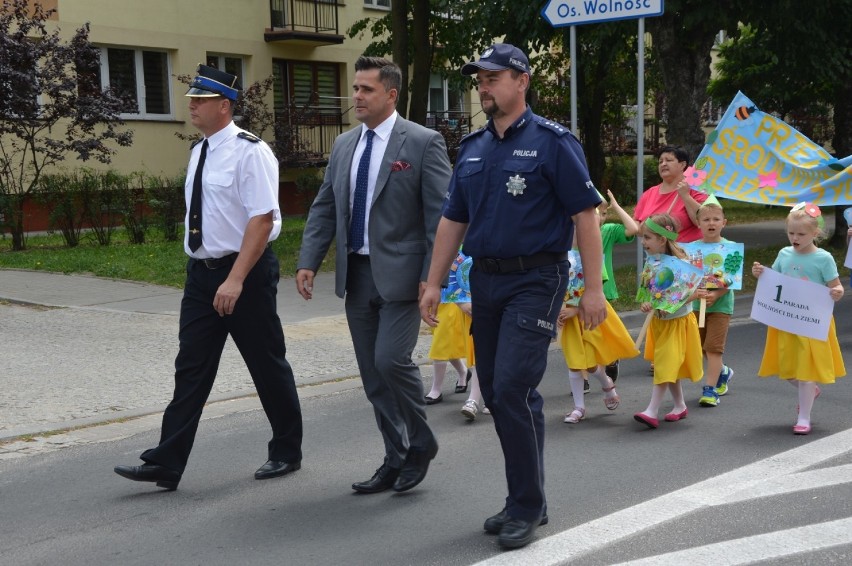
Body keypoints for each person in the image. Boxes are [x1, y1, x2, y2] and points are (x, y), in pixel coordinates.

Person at [419, 43, 606, 550]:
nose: (483, 86)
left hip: (537, 279)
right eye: (479, 79)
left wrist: (593, 289)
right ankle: (527, 499)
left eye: (493, 77)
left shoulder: (553, 143)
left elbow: (585, 216)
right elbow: (453, 219)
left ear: (521, 81)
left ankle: (526, 504)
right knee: (507, 395)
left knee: (509, 388)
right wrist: (434, 282)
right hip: (486, 279)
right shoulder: (474, 146)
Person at [114, 65, 303, 490]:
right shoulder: (200, 150)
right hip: (201, 275)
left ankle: (287, 450)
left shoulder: (250, 151)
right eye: (191, 100)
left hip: (245, 275)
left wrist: (235, 279)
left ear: (225, 106)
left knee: (266, 363)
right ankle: (167, 462)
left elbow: (262, 218)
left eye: (200, 100)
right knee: (191, 367)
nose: (192, 106)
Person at [296, 56, 450, 494]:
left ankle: (420, 440)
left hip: (405, 277)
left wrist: (432, 276)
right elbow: (325, 205)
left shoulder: (422, 142)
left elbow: (441, 216)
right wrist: (309, 260)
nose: (357, 97)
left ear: (391, 95)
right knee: (372, 376)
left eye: (366, 89)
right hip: (357, 275)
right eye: (355, 88)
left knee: (390, 360)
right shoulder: (345, 145)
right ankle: (396, 455)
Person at [751, 202, 845, 435]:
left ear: (815, 233)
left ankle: (804, 416)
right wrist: (760, 274)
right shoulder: (784, 254)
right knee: (787, 368)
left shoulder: (823, 258)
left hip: (812, 322)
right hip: (787, 321)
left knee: (805, 372)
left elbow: (836, 286)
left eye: (801, 234)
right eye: (791, 233)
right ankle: (810, 390)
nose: (795, 237)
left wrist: (838, 292)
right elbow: (774, 280)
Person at [633, 213, 707, 429]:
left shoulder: (682, 264)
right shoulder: (653, 262)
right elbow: (650, 293)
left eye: (647, 238)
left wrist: (689, 296)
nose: (643, 242)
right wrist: (646, 304)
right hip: (660, 323)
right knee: (668, 365)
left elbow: (691, 292)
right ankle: (680, 405)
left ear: (662, 239)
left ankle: (652, 410)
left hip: (677, 323)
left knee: (665, 364)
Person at [691, 196, 736, 408]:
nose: (711, 223)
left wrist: (716, 295)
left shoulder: (731, 248)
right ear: (698, 223)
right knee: (700, 347)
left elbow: (732, 277)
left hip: (721, 307)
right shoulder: (691, 249)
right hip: (695, 306)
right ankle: (723, 371)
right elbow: (687, 277)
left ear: (723, 223)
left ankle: (709, 390)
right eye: (706, 219)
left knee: (713, 349)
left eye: (716, 219)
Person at [600, 189, 640, 381]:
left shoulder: (607, 231)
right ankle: (581, 377)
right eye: (596, 211)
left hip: (603, 290)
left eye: (604, 213)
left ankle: (611, 360)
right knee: (582, 335)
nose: (600, 216)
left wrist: (616, 206)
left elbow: (633, 229)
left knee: (605, 331)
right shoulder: (573, 230)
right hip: (577, 291)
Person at [633, 146, 708, 243]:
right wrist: (650, 229)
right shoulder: (649, 193)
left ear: (682, 165)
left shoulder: (695, 189)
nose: (663, 164)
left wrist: (686, 196)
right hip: (657, 255)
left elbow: (703, 222)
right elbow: (635, 225)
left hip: (688, 254)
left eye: (668, 160)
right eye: (660, 162)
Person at [425, 302, 470, 404]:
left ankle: (436, 389)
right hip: (434, 300)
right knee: (448, 341)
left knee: (441, 342)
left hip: (452, 297)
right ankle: (463, 371)